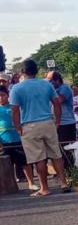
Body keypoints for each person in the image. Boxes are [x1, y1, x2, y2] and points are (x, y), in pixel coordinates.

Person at [10, 59, 70, 196]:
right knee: (56, 155)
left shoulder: (17, 88)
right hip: (48, 123)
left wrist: (18, 127)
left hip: (29, 126)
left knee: (39, 158)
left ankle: (44, 188)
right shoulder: (46, 85)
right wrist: (57, 121)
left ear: (22, 72)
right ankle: (63, 182)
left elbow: (14, 110)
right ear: (36, 71)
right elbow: (56, 104)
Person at [0, 85, 36, 191]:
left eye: (3, 95)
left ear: (8, 95)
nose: (1, 98)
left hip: (18, 140)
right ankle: (9, 186)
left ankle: (31, 183)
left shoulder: (14, 107)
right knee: (7, 165)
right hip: (4, 141)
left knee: (25, 163)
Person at [45, 71, 77, 169]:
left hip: (66, 123)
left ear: (57, 80)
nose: (49, 83)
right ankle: (62, 170)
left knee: (67, 149)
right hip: (55, 123)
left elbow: (59, 101)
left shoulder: (65, 88)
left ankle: (70, 170)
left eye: (51, 81)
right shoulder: (52, 90)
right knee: (57, 149)